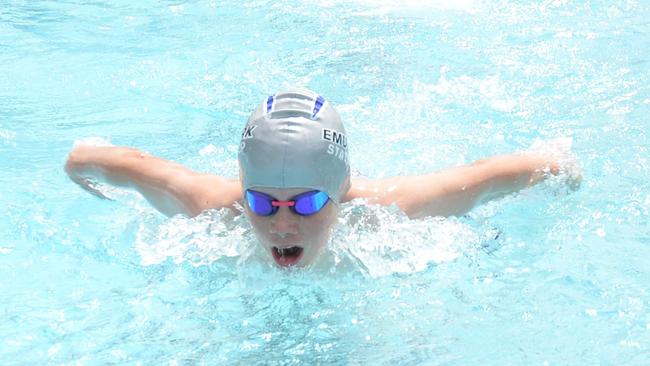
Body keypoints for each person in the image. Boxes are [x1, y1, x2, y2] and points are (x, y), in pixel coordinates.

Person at [65, 88, 580, 267]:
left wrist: (560, 166)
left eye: (307, 203)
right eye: (263, 204)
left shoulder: (386, 210)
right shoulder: (212, 205)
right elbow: (126, 165)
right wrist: (80, 160)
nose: (282, 225)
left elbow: (487, 176)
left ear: (341, 194)